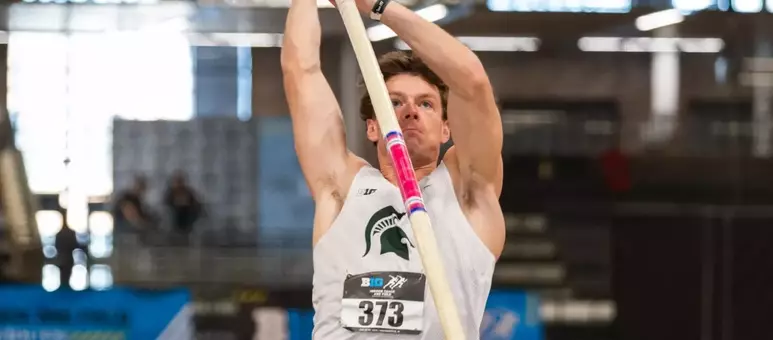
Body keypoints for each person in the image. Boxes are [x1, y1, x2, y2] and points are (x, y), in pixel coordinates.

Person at [281, 0, 505, 337]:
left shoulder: (468, 193)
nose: (410, 111)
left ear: (447, 128)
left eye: (426, 104)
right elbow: (300, 70)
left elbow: (471, 82)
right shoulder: (342, 187)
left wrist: (379, 6)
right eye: (394, 102)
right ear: (373, 127)